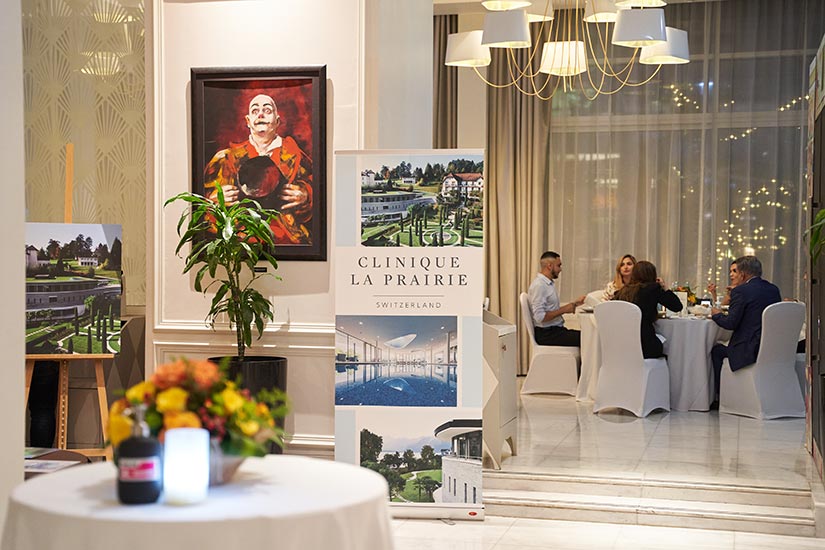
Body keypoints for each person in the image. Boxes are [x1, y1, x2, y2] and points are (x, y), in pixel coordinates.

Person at [203, 93, 313, 245]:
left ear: (277, 121)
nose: (260, 114)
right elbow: (205, 211)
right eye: (255, 111)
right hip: (242, 243)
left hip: (287, 240)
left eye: (267, 110)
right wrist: (214, 203)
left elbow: (318, 188)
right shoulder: (227, 158)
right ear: (248, 121)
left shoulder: (295, 155)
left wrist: (307, 195)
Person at [709, 255, 781, 401]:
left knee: (716, 350)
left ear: (742, 274)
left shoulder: (741, 291)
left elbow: (730, 323)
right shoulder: (773, 289)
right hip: (772, 347)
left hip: (749, 349)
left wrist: (716, 315)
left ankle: (719, 397)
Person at [614, 261, 682, 359]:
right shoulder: (653, 289)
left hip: (622, 345)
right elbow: (677, 306)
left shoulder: (622, 292)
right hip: (645, 346)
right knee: (670, 347)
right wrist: (664, 287)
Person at [527, 251, 585, 347]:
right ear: (549, 266)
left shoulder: (547, 284)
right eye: (558, 265)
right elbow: (540, 317)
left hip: (555, 331)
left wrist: (574, 304)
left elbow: (550, 309)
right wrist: (564, 309)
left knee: (589, 336)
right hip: (547, 334)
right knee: (589, 338)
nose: (560, 269)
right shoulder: (539, 286)